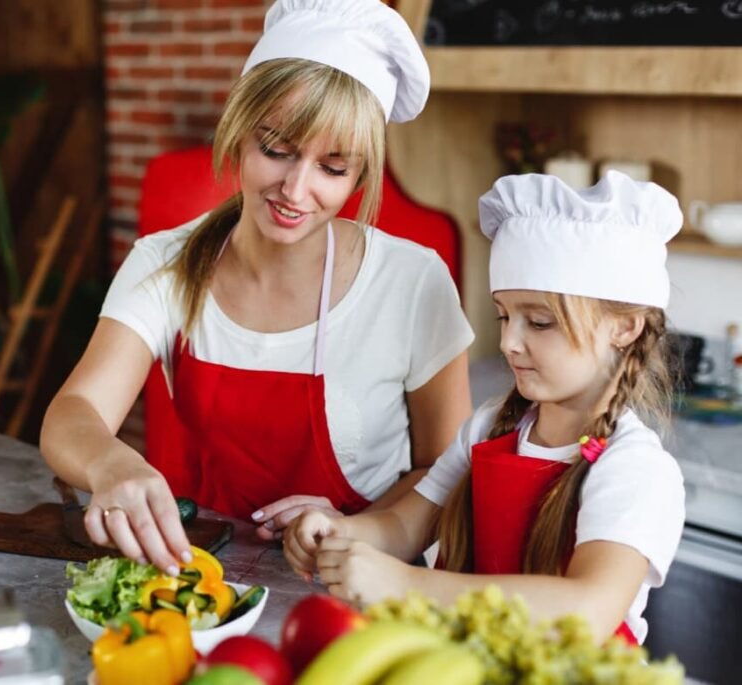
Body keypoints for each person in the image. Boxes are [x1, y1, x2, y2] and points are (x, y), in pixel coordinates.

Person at [40, 0, 473, 578]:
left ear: (361, 175)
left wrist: (358, 530)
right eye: (276, 149)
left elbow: (446, 474)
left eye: (333, 168)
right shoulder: (164, 263)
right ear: (239, 131)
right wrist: (110, 464)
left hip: (356, 584)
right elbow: (75, 411)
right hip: (190, 575)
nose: (296, 189)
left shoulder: (414, 283)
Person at [284, 170, 687, 645]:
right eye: (504, 315)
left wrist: (409, 585)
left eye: (539, 322)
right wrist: (340, 535)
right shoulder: (487, 429)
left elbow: (589, 609)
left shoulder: (635, 468)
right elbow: (402, 526)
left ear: (625, 328)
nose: (509, 342)